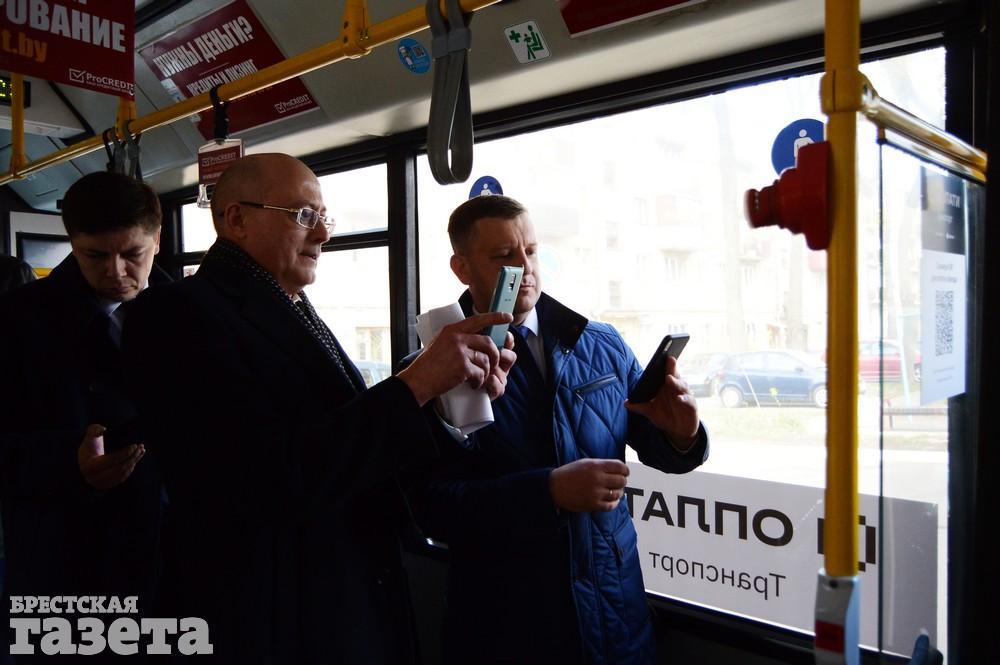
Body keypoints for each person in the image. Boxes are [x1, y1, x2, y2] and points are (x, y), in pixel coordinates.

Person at [122, 153, 515, 663]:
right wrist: (415, 384)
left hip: (340, 597)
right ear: (237, 219)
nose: (323, 234)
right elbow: (262, 479)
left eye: (323, 217)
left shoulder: (289, 305)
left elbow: (346, 444)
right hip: (272, 615)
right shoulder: (173, 315)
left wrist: (446, 404)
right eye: (303, 215)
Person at [413, 194, 710, 665]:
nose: (524, 267)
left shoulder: (601, 344)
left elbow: (661, 448)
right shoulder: (428, 371)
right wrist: (546, 492)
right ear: (462, 268)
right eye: (503, 256)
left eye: (531, 251)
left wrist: (684, 435)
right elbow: (430, 508)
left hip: (615, 613)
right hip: (507, 625)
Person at [0, 172, 168, 653]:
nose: (116, 271)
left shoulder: (185, 313)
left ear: (157, 240)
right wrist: (65, 461)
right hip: (64, 554)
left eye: (133, 254)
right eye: (95, 256)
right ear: (73, 244)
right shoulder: (15, 323)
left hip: (170, 546)